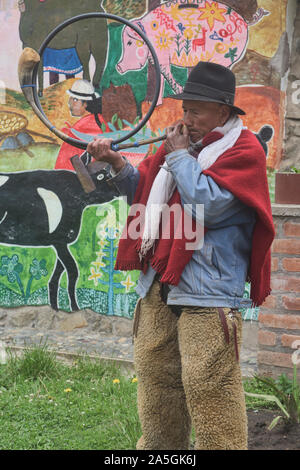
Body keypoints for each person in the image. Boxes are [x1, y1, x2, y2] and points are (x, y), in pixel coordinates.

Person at [86, 62, 275, 450]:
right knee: (157, 387)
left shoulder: (243, 150)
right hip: (159, 283)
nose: (187, 119)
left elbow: (206, 204)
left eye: (197, 110)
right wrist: (118, 164)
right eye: (185, 109)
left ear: (223, 112)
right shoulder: (182, 150)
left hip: (207, 293)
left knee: (210, 391)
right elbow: (149, 192)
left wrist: (177, 156)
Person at [55, 79, 109, 171]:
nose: (69, 103)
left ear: (85, 103)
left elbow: (65, 163)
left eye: (75, 100)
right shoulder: (99, 120)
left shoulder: (84, 126)